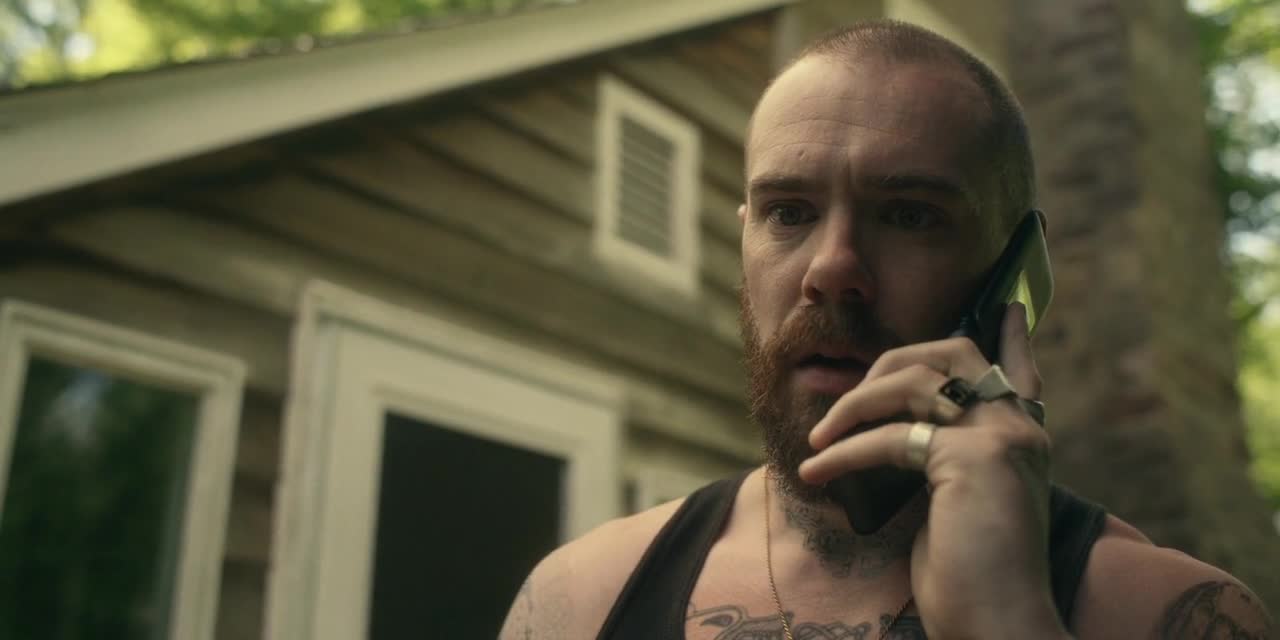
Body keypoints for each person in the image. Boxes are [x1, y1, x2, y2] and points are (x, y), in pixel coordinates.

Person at [499, 19, 1275, 640]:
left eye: (910, 215)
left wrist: (1005, 622)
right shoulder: (581, 600)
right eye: (789, 212)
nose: (833, 268)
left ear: (1015, 275)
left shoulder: (1170, 614)